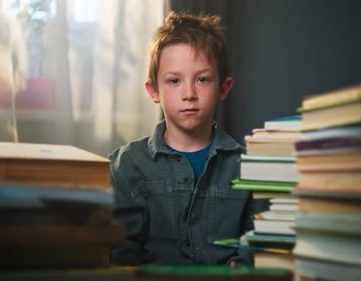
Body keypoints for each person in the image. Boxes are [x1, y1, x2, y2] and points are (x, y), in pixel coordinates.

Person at [109, 11, 262, 266]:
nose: (189, 93)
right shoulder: (125, 167)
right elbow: (122, 255)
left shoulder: (250, 167)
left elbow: (256, 247)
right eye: (174, 81)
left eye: (202, 79)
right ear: (154, 90)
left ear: (223, 88)